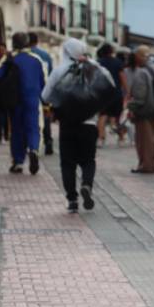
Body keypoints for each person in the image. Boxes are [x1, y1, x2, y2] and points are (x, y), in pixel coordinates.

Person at [43, 38, 115, 213]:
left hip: (67, 124)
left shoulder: (60, 71)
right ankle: (87, 184)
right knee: (88, 160)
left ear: (66, 52)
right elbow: (110, 86)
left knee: (67, 163)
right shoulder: (95, 68)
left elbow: (45, 96)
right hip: (89, 124)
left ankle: (72, 199)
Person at [0, 32, 46, 174]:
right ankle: (33, 149)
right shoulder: (36, 59)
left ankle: (18, 162)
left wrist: (5, 60)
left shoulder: (11, 59)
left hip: (15, 99)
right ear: (27, 43)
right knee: (33, 127)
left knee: (16, 129)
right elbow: (42, 81)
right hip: (32, 98)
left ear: (14, 44)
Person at [127, 46, 154, 174]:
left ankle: (146, 165)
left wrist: (131, 107)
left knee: (143, 140)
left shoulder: (141, 72)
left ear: (138, 56)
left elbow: (140, 96)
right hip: (153, 110)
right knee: (150, 139)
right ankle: (152, 163)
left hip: (144, 111)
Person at [96, 43, 127, 147]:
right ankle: (121, 138)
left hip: (103, 93)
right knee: (118, 117)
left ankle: (100, 138)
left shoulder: (98, 63)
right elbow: (122, 78)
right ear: (111, 51)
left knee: (102, 116)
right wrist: (127, 91)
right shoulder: (118, 63)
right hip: (116, 93)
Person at [28, 32, 54, 155]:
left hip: (29, 90)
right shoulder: (46, 55)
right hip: (45, 89)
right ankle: (48, 142)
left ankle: (31, 145)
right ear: (37, 41)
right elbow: (51, 73)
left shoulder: (27, 55)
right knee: (46, 116)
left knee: (30, 118)